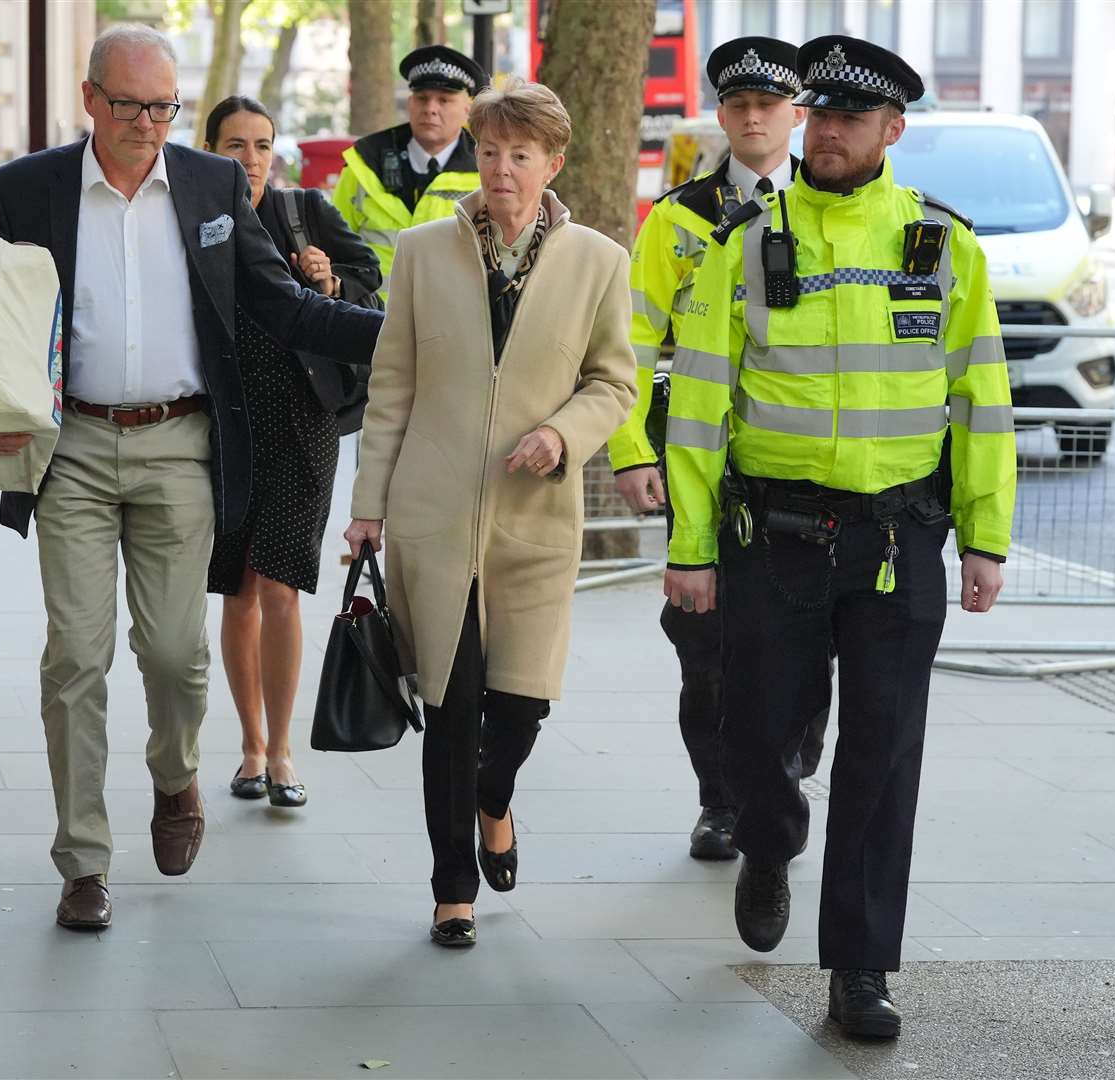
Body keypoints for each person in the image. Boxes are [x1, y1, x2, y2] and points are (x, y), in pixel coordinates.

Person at [0, 25, 384, 932]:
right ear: (90, 97)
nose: (148, 123)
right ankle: (84, 860)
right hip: (68, 446)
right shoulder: (25, 191)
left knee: (176, 655)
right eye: (130, 104)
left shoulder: (214, 185)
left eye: (163, 106)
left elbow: (277, 301)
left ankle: (175, 777)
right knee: (75, 654)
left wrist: (397, 331)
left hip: (180, 443)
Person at [662, 35, 1016, 1039]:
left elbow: (979, 404)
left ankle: (858, 967)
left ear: (890, 132)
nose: (822, 134)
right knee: (755, 729)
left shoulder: (941, 245)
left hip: (897, 543)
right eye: (815, 117)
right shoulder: (743, 241)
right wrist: (689, 549)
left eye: (846, 121)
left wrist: (985, 540)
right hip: (770, 540)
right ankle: (770, 839)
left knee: (882, 752)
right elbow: (696, 408)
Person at [344, 81, 635, 948]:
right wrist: (367, 507)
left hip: (533, 521)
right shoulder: (421, 252)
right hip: (432, 514)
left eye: (519, 155)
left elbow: (614, 382)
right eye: (489, 152)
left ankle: (494, 797)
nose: (500, 171)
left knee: (519, 707)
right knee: (449, 701)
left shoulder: (598, 261)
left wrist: (562, 433)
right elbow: (390, 389)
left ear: (552, 163)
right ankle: (451, 889)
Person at [606, 37, 829, 862]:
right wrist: (631, 452)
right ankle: (722, 801)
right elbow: (624, 343)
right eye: (736, 105)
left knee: (807, 647)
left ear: (795, 114)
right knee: (703, 648)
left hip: (805, 471)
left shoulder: (829, 207)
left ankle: (784, 777)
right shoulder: (679, 219)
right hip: (702, 471)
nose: (751, 117)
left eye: (767, 105)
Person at [201, 95, 382, 810]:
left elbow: (369, 285)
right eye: (234, 145)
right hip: (225, 424)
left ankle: (281, 752)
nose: (249, 159)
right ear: (207, 149)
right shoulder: (193, 222)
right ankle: (248, 745)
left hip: (304, 417)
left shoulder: (303, 211)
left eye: (261, 145)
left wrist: (332, 281)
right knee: (239, 589)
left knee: (279, 585)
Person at [331, 44, 485, 297]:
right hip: (369, 322)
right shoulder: (365, 162)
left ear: (467, 109)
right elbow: (332, 242)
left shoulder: (485, 169)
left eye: (444, 100)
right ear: (410, 103)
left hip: (452, 323)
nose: (431, 108)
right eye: (422, 98)